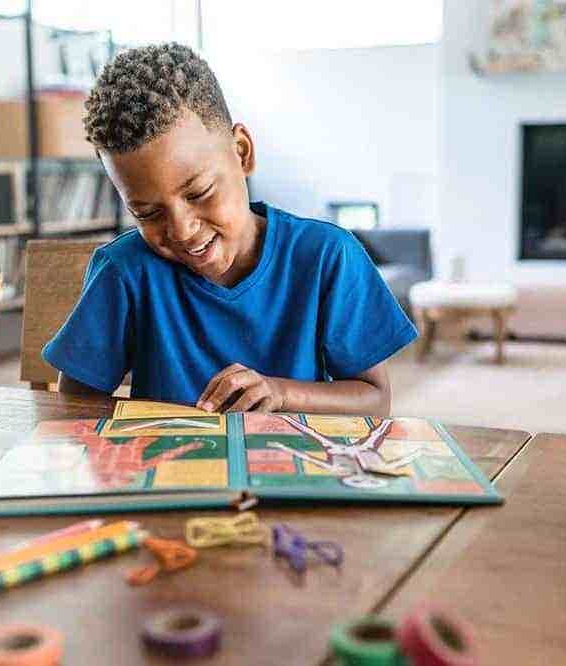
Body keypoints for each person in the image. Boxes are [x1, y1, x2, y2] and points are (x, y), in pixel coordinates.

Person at [42, 43, 416, 416]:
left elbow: (375, 400)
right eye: (147, 212)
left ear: (242, 152)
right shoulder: (125, 271)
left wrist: (280, 393)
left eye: (199, 192)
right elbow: (76, 403)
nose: (182, 230)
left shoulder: (327, 256)